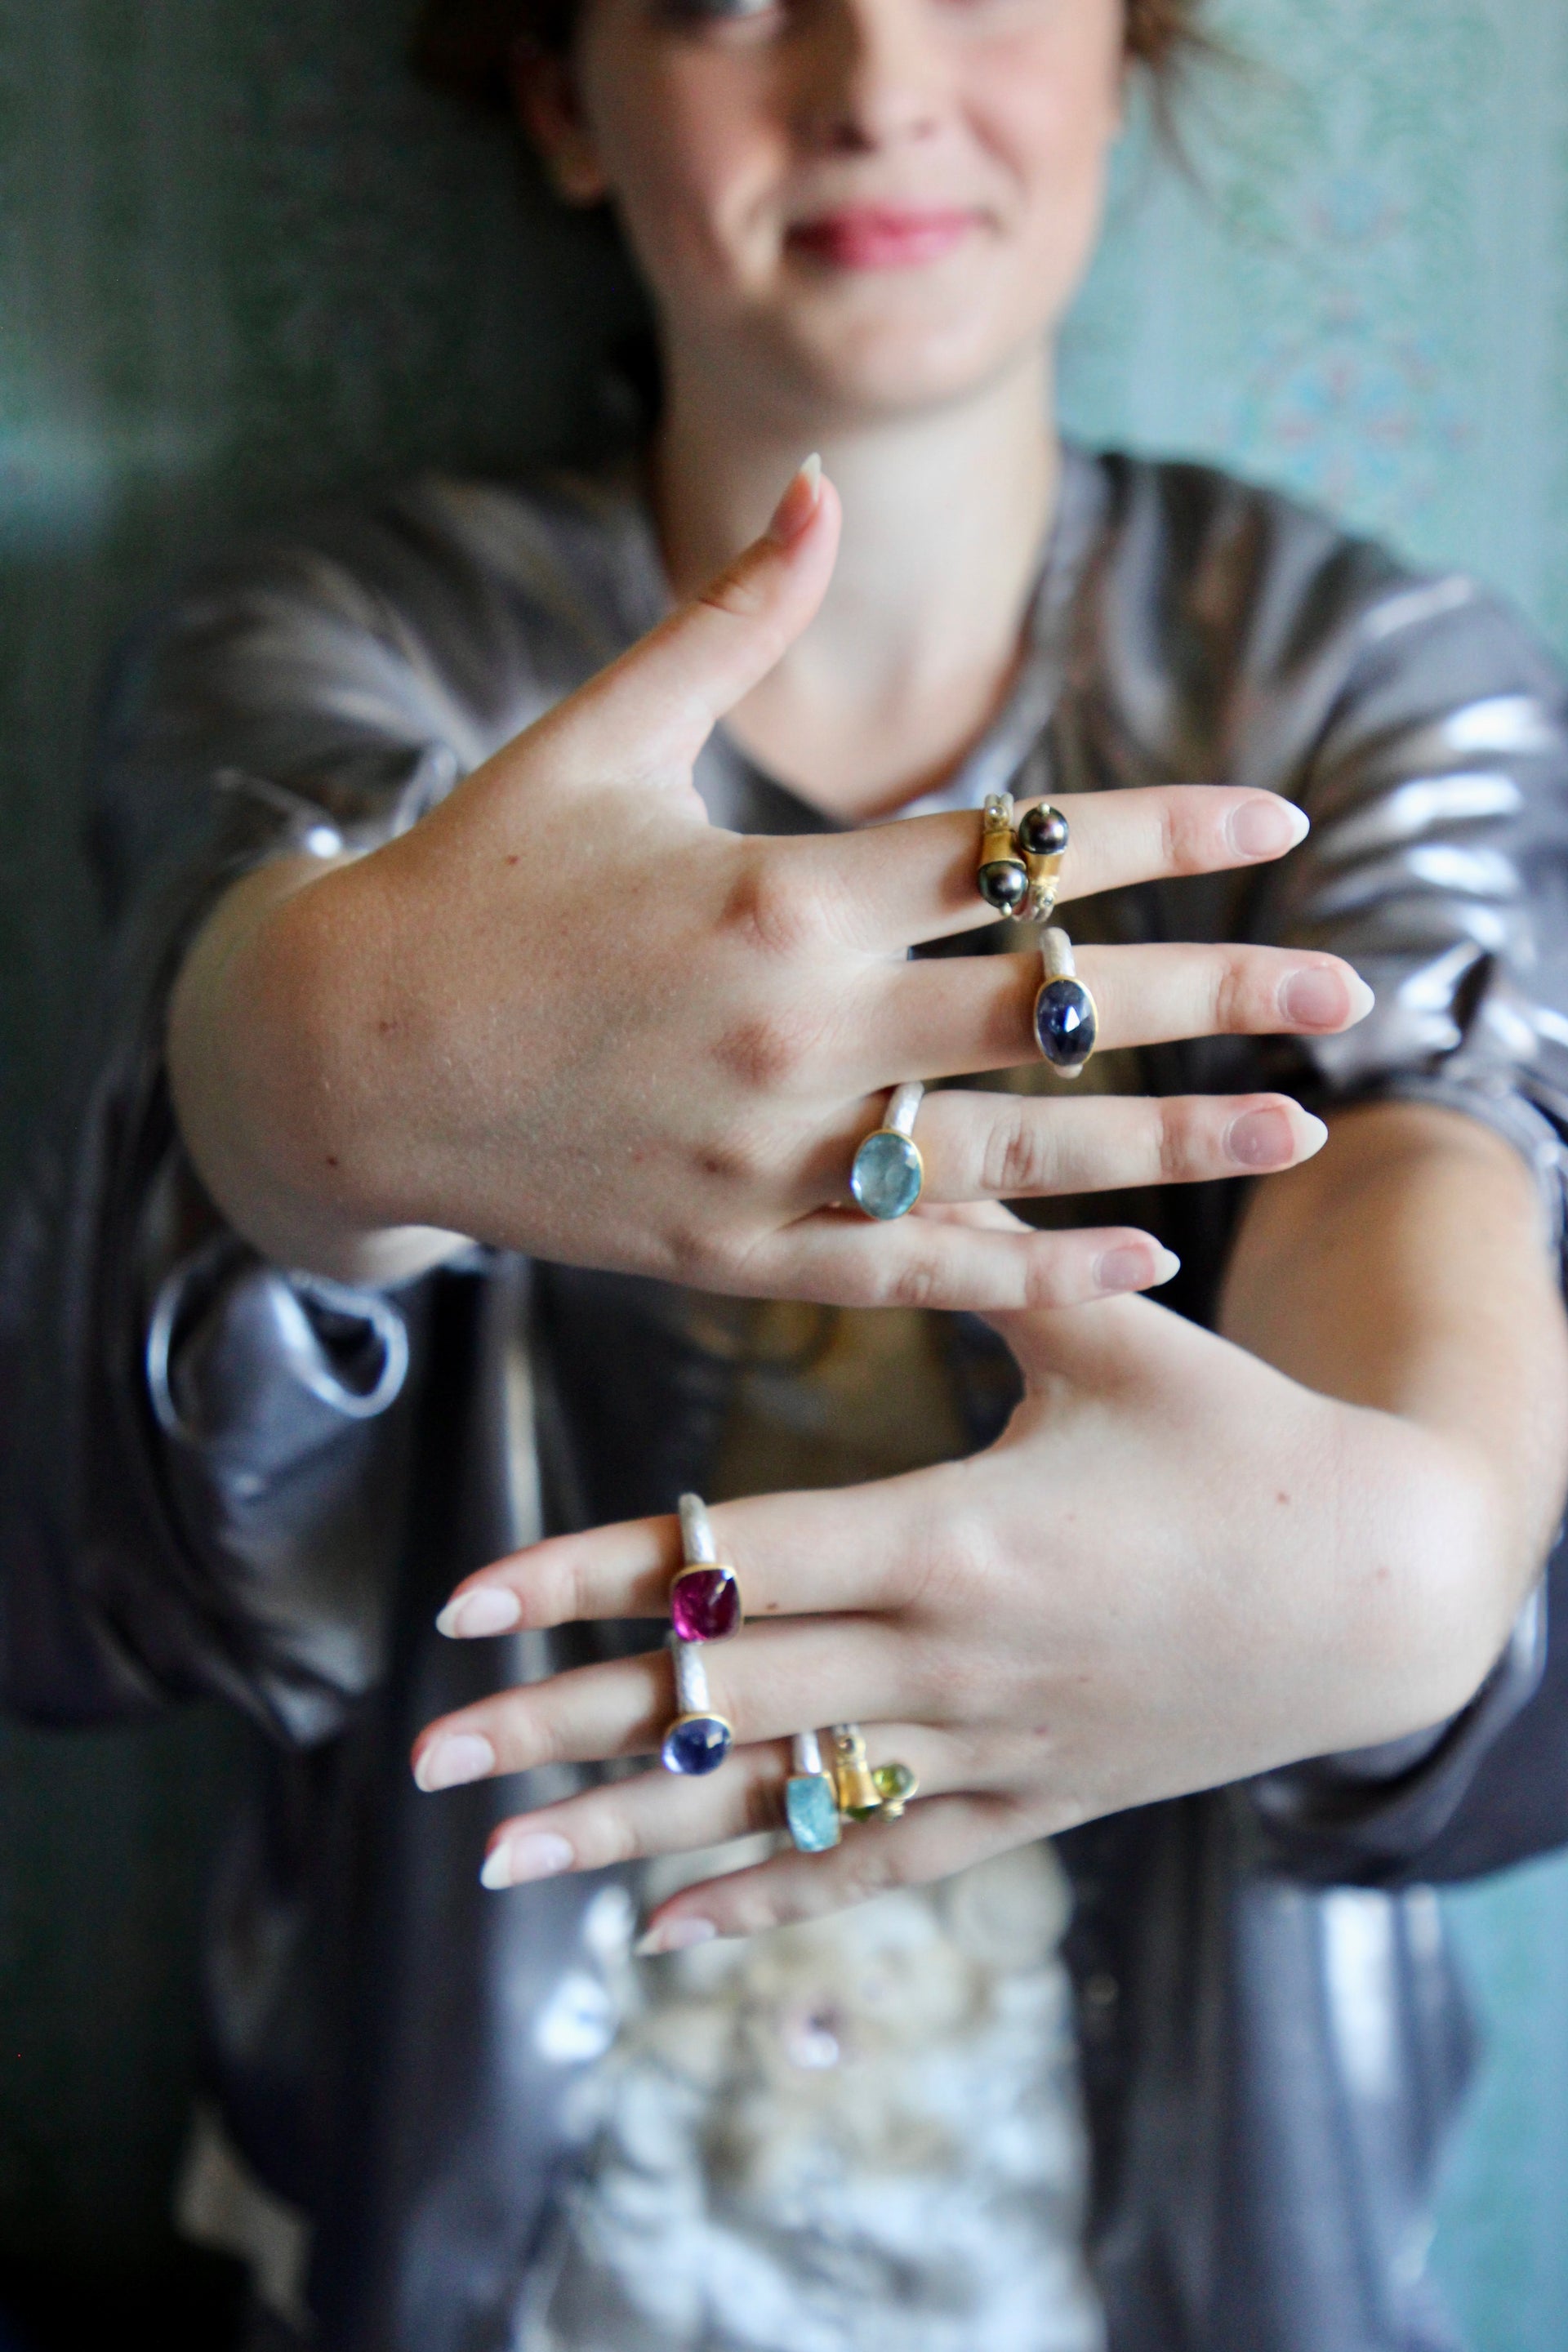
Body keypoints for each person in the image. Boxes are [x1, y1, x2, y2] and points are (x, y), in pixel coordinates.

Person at [4, 0, 1568, 2345]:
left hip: (1175, 2232)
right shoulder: (344, 645)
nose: (872, 79)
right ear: (558, 93)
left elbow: (1416, 1152)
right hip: (495, 2200)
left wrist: (1426, 1521)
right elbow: (125, 1486)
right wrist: (314, 1058)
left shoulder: (1367, 680)